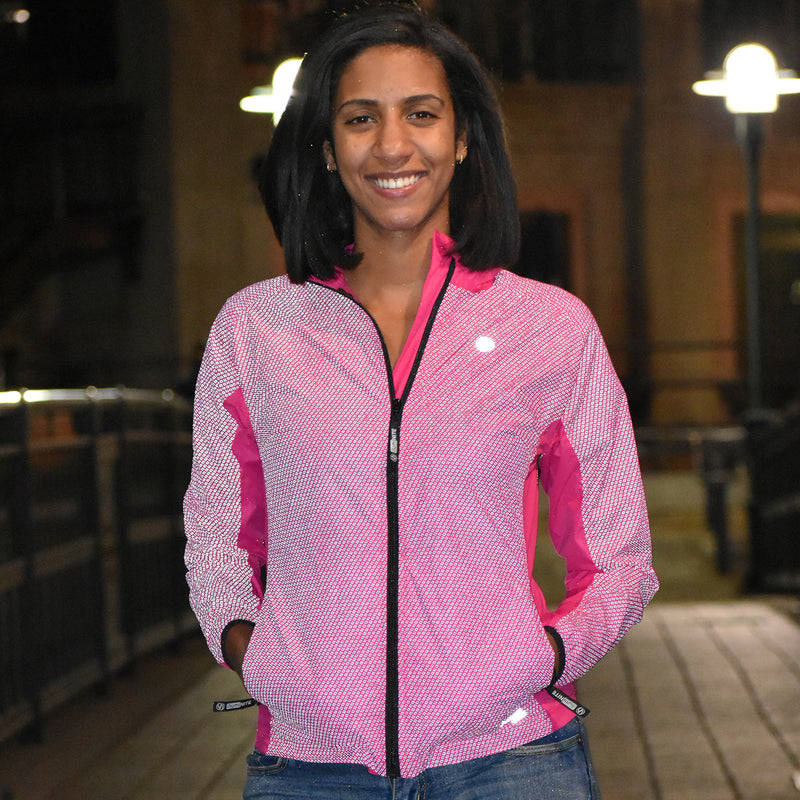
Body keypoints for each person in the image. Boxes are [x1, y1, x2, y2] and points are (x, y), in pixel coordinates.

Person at [184, 3, 659, 798]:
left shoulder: (547, 329)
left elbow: (620, 559)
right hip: (311, 764)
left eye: (421, 114)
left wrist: (541, 656)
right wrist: (251, 650)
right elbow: (216, 535)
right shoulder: (255, 330)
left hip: (512, 762)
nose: (393, 145)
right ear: (328, 149)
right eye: (361, 118)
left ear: (463, 138)